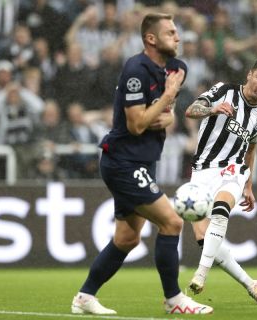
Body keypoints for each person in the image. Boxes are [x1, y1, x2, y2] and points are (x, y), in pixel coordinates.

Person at [71, 13, 213, 315]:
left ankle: (85, 296)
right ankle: (174, 299)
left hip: (144, 161)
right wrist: (169, 96)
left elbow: (164, 117)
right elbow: (137, 125)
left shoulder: (178, 68)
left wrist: (168, 112)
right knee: (172, 222)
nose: (178, 37)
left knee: (127, 237)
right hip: (121, 160)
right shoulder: (136, 69)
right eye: (171, 32)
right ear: (151, 39)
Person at [185, 58, 257, 304]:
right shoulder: (224, 91)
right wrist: (212, 109)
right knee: (205, 241)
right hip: (202, 171)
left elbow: (251, 149)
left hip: (233, 170)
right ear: (249, 75)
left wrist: (248, 184)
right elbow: (191, 110)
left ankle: (200, 275)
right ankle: (251, 284)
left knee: (220, 211)